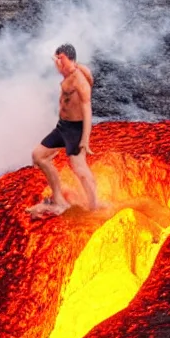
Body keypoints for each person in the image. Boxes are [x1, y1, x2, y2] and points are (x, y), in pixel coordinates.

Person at [27, 43, 98, 217]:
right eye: (56, 59)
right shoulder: (69, 72)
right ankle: (58, 198)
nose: (57, 63)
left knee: (79, 168)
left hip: (75, 129)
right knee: (38, 155)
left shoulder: (80, 80)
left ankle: (94, 206)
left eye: (60, 59)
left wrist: (85, 139)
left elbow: (87, 109)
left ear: (68, 58)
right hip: (62, 126)